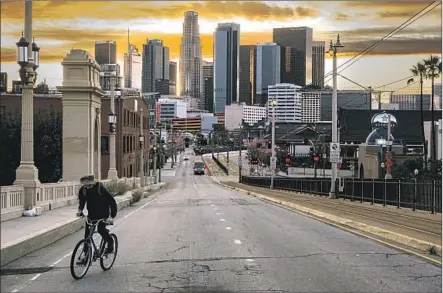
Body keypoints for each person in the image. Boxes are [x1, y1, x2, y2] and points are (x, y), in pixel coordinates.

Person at [76, 175, 117, 264]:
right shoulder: (83, 190)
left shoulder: (100, 188)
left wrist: (112, 216)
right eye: (85, 185)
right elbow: (82, 201)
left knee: (101, 230)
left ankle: (110, 244)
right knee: (87, 236)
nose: (87, 187)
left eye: (89, 185)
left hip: (103, 213)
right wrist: (80, 211)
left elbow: (111, 201)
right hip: (92, 214)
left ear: (93, 183)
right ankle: (86, 258)